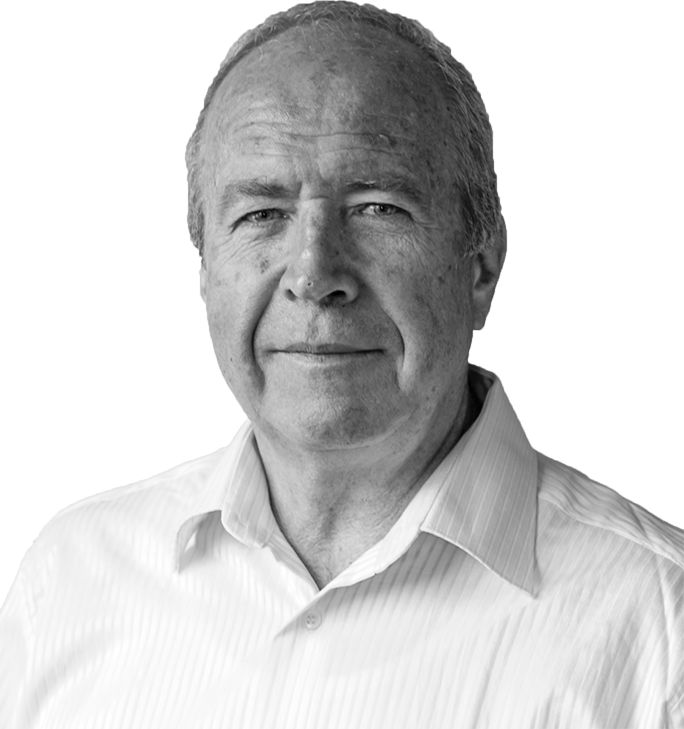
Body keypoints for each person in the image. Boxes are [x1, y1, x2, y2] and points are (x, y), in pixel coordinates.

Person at [2, 1, 684, 726]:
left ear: (481, 267)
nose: (314, 273)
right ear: (206, 269)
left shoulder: (659, 624)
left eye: (377, 207)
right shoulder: (71, 578)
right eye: (261, 214)